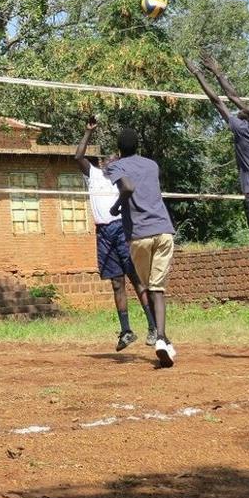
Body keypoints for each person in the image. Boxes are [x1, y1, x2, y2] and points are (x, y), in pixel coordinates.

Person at [185, 55, 249, 334]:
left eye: (243, 112)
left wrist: (198, 74)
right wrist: (218, 71)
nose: (240, 111)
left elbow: (218, 101)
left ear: (246, 118)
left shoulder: (241, 129)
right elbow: (234, 97)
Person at [76, 116, 157, 351]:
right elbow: (78, 156)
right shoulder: (93, 175)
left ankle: (153, 327)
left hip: (121, 228)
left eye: (115, 158)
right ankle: (126, 331)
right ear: (102, 162)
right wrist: (88, 131)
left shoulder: (121, 177)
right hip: (103, 233)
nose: (110, 161)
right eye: (107, 158)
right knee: (116, 282)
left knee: (136, 278)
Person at [106, 128, 178, 368]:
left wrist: (117, 206)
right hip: (164, 230)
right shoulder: (152, 165)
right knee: (158, 289)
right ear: (137, 146)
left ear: (119, 149)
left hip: (140, 234)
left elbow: (127, 188)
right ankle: (163, 339)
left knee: (149, 287)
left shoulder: (116, 166)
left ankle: (161, 338)